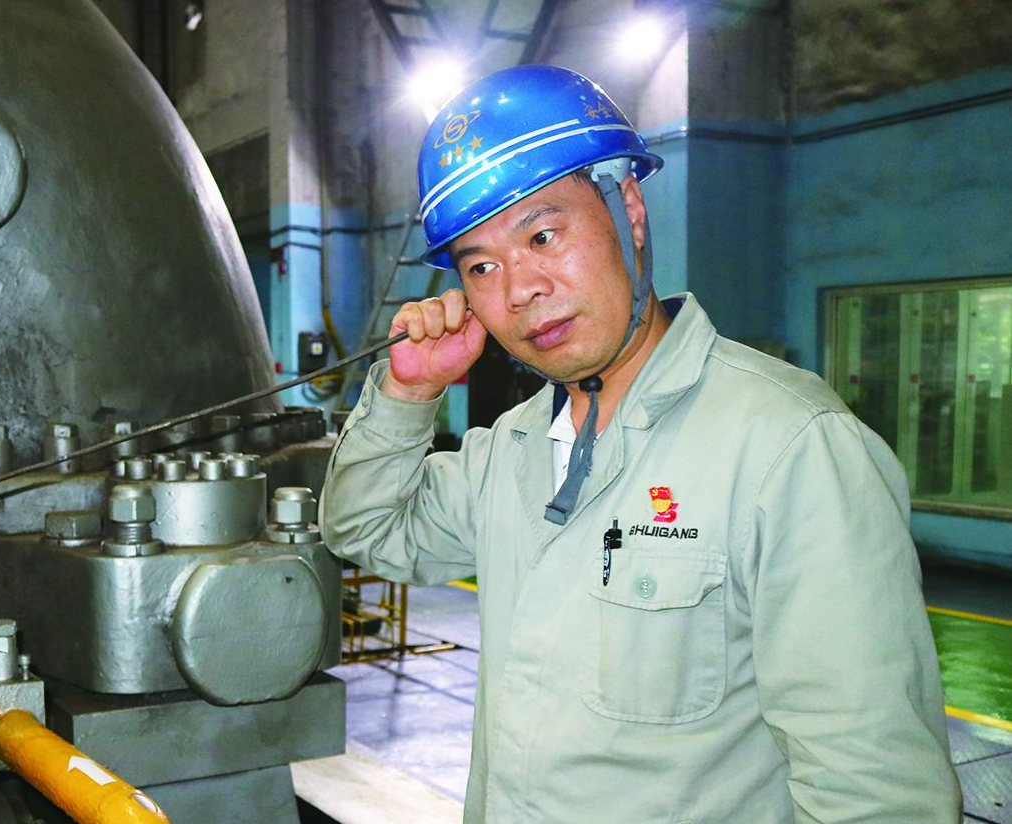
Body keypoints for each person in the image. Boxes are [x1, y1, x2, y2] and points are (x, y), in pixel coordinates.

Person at [320, 65, 961, 823]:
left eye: (543, 235)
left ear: (628, 208)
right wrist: (407, 393)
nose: (519, 289)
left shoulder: (788, 447)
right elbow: (366, 528)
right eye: (481, 266)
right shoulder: (512, 450)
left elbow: (876, 793)